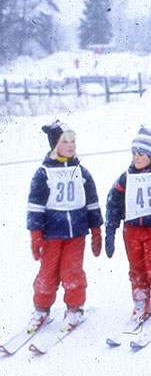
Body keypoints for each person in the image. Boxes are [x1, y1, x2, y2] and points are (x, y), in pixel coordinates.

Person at [26, 120, 103, 331]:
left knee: (72, 272)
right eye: (64, 141)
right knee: (47, 274)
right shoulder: (43, 173)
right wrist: (35, 235)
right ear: (54, 145)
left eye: (73, 141)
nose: (70, 145)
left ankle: (74, 308)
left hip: (76, 234)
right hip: (51, 234)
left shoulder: (82, 172)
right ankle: (41, 309)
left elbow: (92, 203)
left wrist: (96, 231)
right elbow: (35, 207)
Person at [104, 126, 151, 325]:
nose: (137, 159)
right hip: (131, 231)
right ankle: (141, 301)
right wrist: (110, 232)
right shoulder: (125, 178)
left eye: (142, 155)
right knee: (136, 267)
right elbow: (113, 203)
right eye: (135, 154)